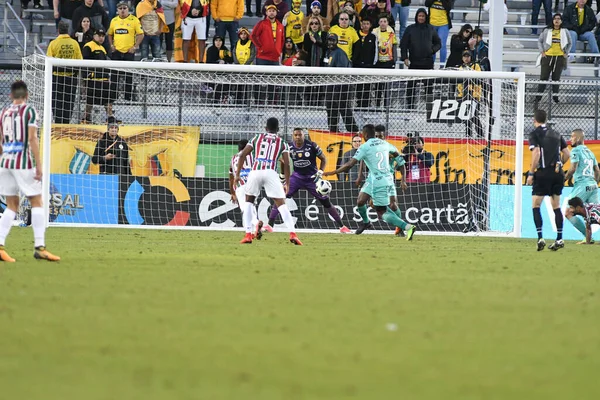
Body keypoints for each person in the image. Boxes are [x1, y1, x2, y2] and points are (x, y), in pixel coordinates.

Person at [0, 81, 61, 262]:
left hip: (5, 162)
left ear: (11, 95)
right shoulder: (29, 111)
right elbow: (33, 138)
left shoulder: (3, 113)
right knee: (36, 200)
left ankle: (0, 246)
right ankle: (40, 247)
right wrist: (39, 165)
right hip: (23, 161)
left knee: (12, 205)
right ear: (26, 95)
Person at [324, 124, 415, 238]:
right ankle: (366, 222)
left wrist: (331, 172)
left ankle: (407, 227)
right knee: (361, 201)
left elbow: (349, 165)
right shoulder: (386, 144)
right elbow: (400, 160)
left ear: (365, 134)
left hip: (379, 180)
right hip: (376, 178)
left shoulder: (365, 146)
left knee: (382, 211)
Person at [267, 128, 351, 233]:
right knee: (281, 196)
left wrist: (320, 171)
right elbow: (284, 161)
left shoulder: (312, 145)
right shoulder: (288, 146)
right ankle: (270, 225)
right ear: (293, 136)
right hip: (297, 177)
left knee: (326, 202)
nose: (298, 137)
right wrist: (282, 175)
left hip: (312, 177)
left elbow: (324, 158)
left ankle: (342, 226)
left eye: (300, 135)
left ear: (304, 135)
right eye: (296, 135)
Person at [234, 117, 302, 245]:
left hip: (255, 171)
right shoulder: (282, 143)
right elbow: (287, 164)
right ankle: (293, 234)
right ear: (278, 129)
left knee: (248, 203)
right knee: (281, 204)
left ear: (265, 128)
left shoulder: (256, 138)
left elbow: (242, 155)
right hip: (271, 172)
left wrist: (237, 174)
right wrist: (287, 183)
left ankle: (248, 234)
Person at [526, 109, 570, 251]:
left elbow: (537, 153)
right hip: (557, 174)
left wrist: (531, 173)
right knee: (556, 205)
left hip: (543, 174)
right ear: (546, 119)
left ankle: (540, 237)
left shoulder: (535, 134)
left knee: (536, 204)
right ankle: (559, 238)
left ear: (535, 120)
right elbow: (567, 153)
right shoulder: (557, 134)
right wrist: (560, 164)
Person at [563, 129, 600, 243]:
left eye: (572, 136)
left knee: (569, 212)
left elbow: (573, 168)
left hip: (582, 185)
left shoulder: (575, 151)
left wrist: (563, 179)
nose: (570, 139)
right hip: (593, 186)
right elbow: (597, 171)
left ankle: (588, 237)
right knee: (593, 214)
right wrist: (594, 183)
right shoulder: (590, 152)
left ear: (578, 138)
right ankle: (588, 239)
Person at [400, 8, 441, 109]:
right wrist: (405, 57)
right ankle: (410, 106)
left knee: (428, 88)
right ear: (416, 17)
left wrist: (432, 50)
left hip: (427, 62)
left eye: (423, 16)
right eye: (419, 16)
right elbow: (403, 44)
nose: (421, 18)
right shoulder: (410, 29)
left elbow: (438, 43)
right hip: (414, 63)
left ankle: (429, 109)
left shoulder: (431, 29)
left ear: (425, 17)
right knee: (411, 87)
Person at [46, 21, 83, 125]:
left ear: (58, 30)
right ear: (68, 30)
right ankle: (66, 123)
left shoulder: (53, 43)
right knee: (69, 101)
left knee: (56, 101)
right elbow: (80, 60)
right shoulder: (74, 43)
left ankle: (57, 122)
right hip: (71, 78)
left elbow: (49, 60)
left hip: (57, 77)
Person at [108, 2, 144, 101]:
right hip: (117, 51)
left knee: (129, 76)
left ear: (128, 9)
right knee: (115, 76)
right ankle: (113, 97)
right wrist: (111, 45)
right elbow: (109, 34)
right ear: (117, 10)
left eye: (124, 8)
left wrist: (135, 47)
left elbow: (141, 34)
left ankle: (127, 97)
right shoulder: (114, 21)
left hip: (129, 52)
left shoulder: (134, 20)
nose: (122, 10)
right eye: (120, 8)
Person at [324, 33, 358, 133]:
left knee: (343, 108)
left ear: (337, 41)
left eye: (333, 40)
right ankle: (333, 130)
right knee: (331, 108)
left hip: (341, 86)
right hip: (330, 86)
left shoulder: (340, 53)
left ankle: (353, 131)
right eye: (329, 40)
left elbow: (343, 72)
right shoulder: (328, 52)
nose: (331, 42)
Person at [81, 28, 117, 124]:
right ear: (94, 36)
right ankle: (86, 118)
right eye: (99, 36)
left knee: (108, 100)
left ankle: (110, 118)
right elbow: (85, 62)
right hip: (93, 80)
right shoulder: (88, 46)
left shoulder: (102, 48)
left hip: (104, 79)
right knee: (90, 100)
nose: (101, 38)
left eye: (102, 36)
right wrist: (87, 76)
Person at [535, 13, 571, 107]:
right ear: (552, 20)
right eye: (555, 18)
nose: (557, 20)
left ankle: (555, 98)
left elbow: (570, 43)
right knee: (543, 78)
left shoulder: (565, 31)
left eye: (559, 19)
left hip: (559, 57)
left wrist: (566, 53)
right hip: (548, 57)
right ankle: (538, 98)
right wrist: (542, 51)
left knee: (556, 79)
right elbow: (539, 41)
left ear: (561, 21)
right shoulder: (547, 30)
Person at [229, 139, 263, 238]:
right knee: (251, 207)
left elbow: (231, 177)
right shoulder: (254, 157)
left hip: (241, 185)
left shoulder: (233, 159)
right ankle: (252, 232)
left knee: (245, 208)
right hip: (253, 184)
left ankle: (256, 223)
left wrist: (232, 193)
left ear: (239, 148)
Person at [352, 17, 377, 108]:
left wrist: (373, 64)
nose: (365, 25)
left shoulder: (373, 37)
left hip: (368, 66)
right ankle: (358, 103)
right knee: (358, 86)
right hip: (357, 65)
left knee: (367, 86)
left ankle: (366, 104)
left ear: (370, 25)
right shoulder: (356, 35)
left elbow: (375, 51)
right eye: (364, 23)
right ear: (361, 24)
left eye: (367, 24)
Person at [373, 13, 396, 107]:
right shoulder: (374, 32)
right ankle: (377, 105)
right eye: (381, 21)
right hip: (378, 62)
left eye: (385, 21)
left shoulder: (391, 32)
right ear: (378, 22)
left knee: (387, 86)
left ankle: (387, 106)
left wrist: (394, 60)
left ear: (387, 23)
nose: (383, 23)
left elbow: (394, 46)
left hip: (388, 62)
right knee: (378, 86)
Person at [424, 0, 452, 66]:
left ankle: (442, 66)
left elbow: (449, 7)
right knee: (432, 45)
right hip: (431, 23)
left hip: (443, 24)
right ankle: (431, 65)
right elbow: (427, 3)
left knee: (442, 45)